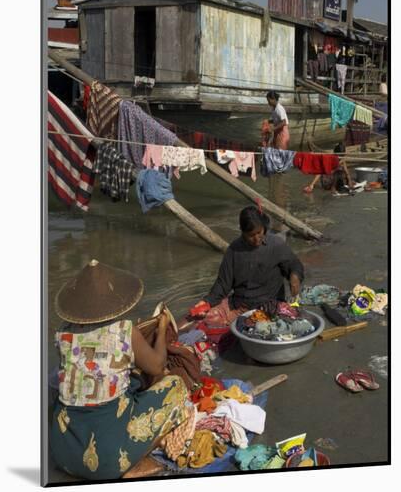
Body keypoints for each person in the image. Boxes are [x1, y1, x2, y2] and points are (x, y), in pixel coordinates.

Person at [49, 259, 189, 481]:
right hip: (107, 462)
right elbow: (157, 365)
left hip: (62, 453)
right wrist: (161, 330)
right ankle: (133, 463)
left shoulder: (63, 333)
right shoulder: (124, 329)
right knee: (176, 387)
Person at [189, 206, 304, 328]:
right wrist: (206, 302)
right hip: (239, 306)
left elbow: (294, 264)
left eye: (259, 233)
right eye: (251, 235)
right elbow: (223, 284)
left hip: (269, 306)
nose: (256, 239)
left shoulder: (276, 245)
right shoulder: (234, 250)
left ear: (264, 228)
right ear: (242, 232)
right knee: (198, 320)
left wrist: (294, 277)